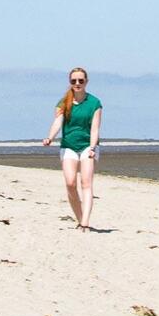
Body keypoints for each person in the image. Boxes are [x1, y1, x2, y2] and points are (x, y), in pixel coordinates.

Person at [42, 68, 103, 231]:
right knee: (70, 183)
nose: (77, 84)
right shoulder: (64, 102)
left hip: (87, 146)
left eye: (81, 81)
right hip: (68, 145)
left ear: (86, 82)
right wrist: (50, 137)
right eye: (74, 81)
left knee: (86, 183)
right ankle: (80, 218)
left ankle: (85, 223)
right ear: (70, 82)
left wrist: (92, 147)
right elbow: (58, 121)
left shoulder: (94, 103)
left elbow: (95, 128)